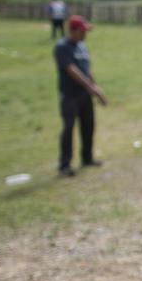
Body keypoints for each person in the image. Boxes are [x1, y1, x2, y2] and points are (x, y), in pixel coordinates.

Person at [54, 15, 107, 177]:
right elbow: (72, 70)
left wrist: (94, 85)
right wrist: (92, 88)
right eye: (82, 31)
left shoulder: (82, 46)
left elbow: (87, 68)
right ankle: (64, 165)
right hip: (70, 95)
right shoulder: (62, 47)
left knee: (88, 126)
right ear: (73, 30)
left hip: (85, 94)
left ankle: (87, 158)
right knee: (69, 129)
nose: (85, 34)